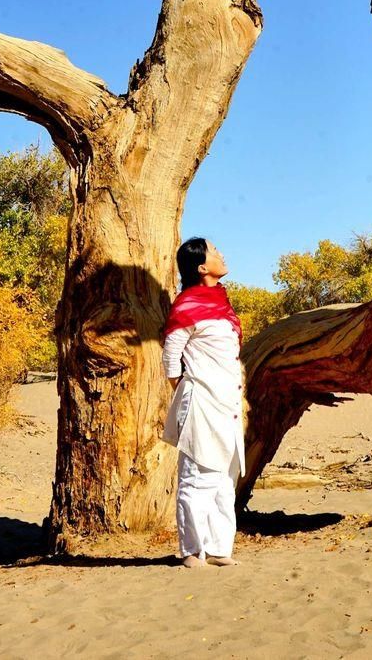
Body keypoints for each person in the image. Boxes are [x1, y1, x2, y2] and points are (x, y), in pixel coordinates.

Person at [161, 236, 245, 569]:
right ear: (201, 267)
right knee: (196, 475)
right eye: (214, 251)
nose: (221, 254)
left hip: (228, 400)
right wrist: (184, 390)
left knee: (226, 476)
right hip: (200, 400)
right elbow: (171, 356)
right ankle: (193, 551)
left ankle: (220, 548)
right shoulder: (186, 306)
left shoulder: (222, 306)